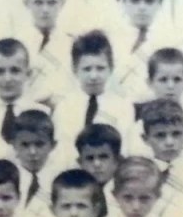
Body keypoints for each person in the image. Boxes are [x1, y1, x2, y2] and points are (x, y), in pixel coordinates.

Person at [52, 30, 133, 166]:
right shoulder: (64, 107)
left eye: (100, 68)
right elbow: (61, 151)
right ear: (74, 69)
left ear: (111, 68)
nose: (93, 76)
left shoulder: (122, 107)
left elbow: (124, 149)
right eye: (87, 69)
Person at [106, 0, 183, 104]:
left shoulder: (172, 40)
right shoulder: (111, 40)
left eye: (149, 1)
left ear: (160, 3)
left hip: (159, 109)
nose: (142, 7)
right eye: (135, 0)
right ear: (123, 2)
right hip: (118, 108)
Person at [13, 0, 76, 108]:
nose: (45, 9)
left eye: (51, 2)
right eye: (38, 2)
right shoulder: (16, 43)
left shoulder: (72, 45)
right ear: (26, 3)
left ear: (62, 3)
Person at [5, 110, 62, 217]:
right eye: (25, 145)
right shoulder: (7, 176)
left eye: (39, 144)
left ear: (53, 145)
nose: (32, 152)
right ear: (13, 144)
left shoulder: (60, 178)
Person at [75, 124, 125, 217]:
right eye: (90, 158)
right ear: (80, 162)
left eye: (103, 157)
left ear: (118, 160)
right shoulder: (75, 194)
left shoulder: (128, 193)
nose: (97, 164)